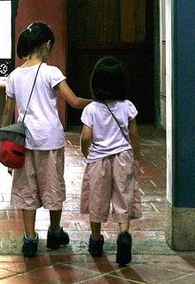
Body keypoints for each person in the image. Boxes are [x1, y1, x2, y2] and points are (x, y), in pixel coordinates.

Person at [1, 21, 90, 258]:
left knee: (26, 189)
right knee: (53, 187)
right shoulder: (52, 73)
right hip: (49, 140)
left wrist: (4, 139)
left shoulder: (14, 75)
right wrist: (99, 102)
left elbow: (8, 109)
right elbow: (74, 102)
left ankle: (30, 239)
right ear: (47, 44)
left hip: (24, 140)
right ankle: (54, 232)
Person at [79, 56, 142, 265]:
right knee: (123, 196)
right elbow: (134, 134)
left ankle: (96, 241)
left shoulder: (91, 110)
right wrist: (136, 157)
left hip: (99, 160)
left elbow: (86, 137)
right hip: (123, 156)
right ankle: (124, 234)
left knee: (97, 198)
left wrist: (86, 152)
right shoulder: (127, 106)